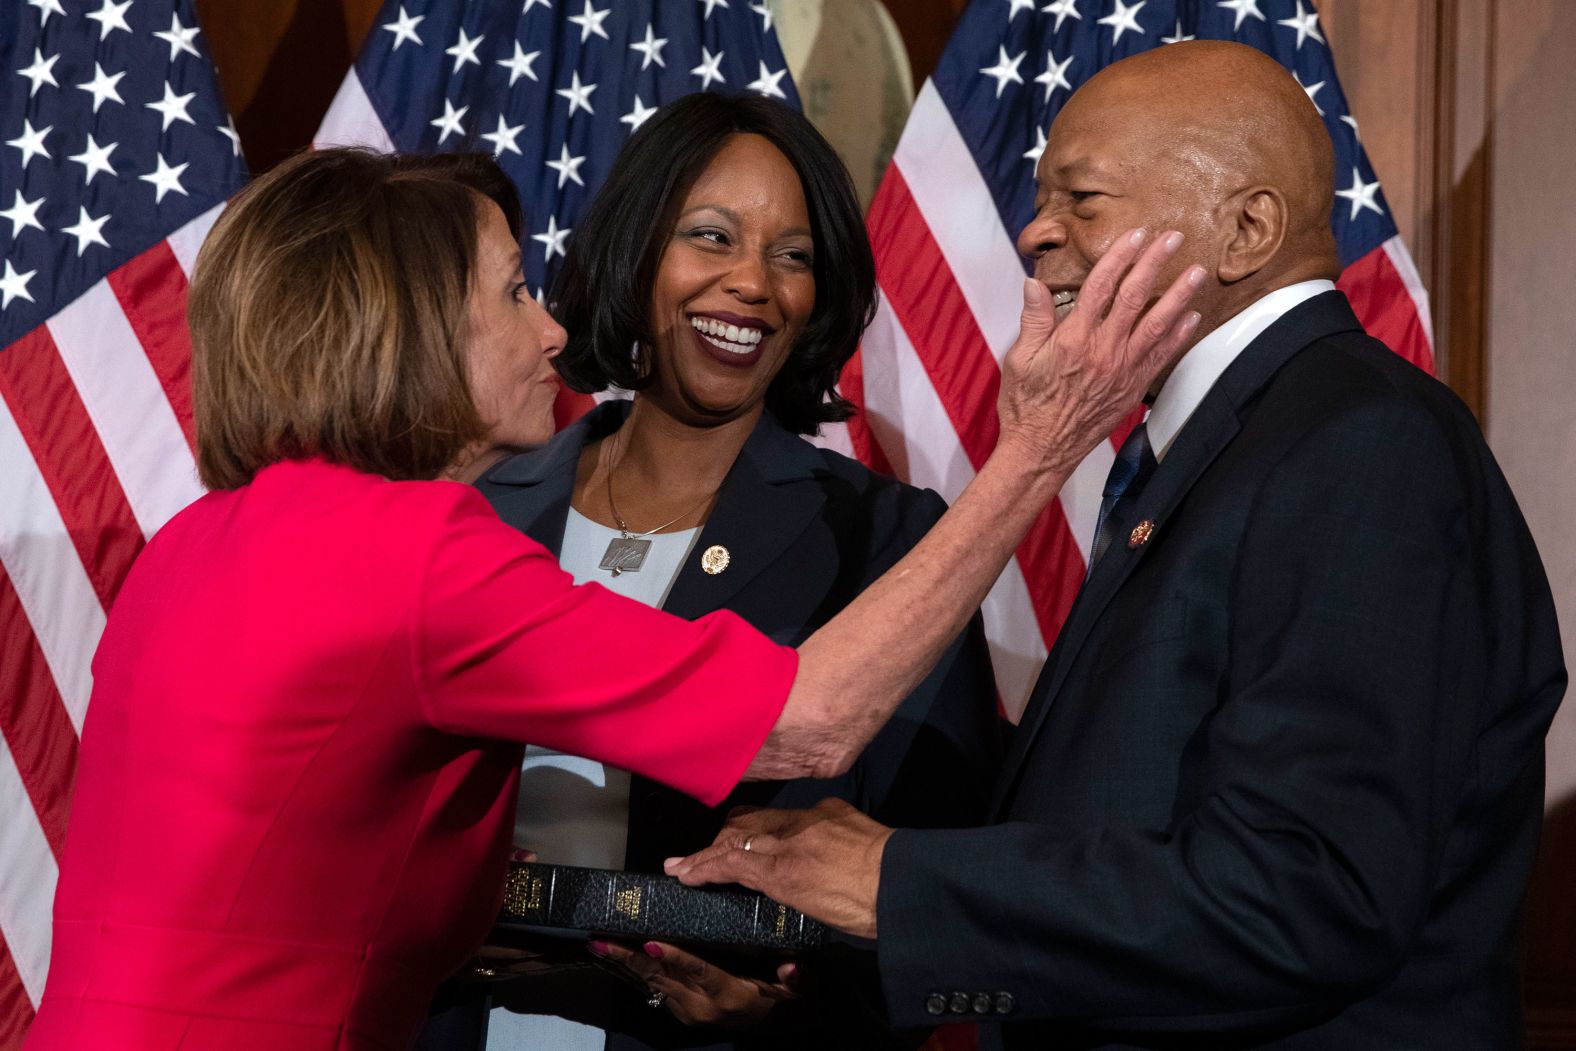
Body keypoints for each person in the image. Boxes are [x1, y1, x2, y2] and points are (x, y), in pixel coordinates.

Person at [22, 145, 1203, 1050]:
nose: (551, 328)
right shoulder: (417, 548)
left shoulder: (199, 537)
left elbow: (294, 874)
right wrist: (1041, 448)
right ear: (412, 329)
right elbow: (811, 717)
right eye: (511, 291)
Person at [667, 40, 1567, 1050]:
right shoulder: (1237, 438)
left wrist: (897, 884)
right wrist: (836, 978)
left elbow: (1303, 898)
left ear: (1246, 229)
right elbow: (1120, 827)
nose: (1034, 234)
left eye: (1080, 201)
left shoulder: (1356, 443)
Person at [430, 94, 998, 1051]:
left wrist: (794, 1017)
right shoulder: (477, 512)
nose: (752, 284)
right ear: (636, 248)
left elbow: (938, 874)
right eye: (711, 236)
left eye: (793, 256)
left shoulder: (886, 540)